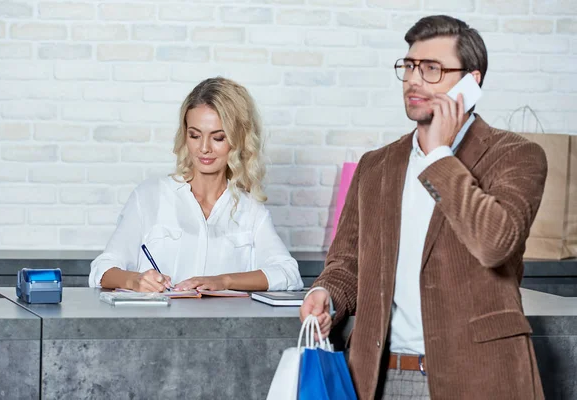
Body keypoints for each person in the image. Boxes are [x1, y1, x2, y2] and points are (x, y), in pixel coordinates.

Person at [300, 15, 547, 400]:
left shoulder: (516, 156)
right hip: (381, 379)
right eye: (410, 66)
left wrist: (438, 156)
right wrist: (327, 295)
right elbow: (346, 264)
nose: (414, 79)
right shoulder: (376, 166)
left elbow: (495, 243)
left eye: (432, 69)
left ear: (471, 81)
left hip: (479, 380)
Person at [89, 77, 303, 293]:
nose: (204, 148)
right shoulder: (149, 196)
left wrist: (224, 281)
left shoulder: (250, 210)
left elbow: (289, 274)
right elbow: (102, 269)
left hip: (225, 326)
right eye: (194, 135)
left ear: (238, 140)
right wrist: (134, 280)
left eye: (218, 138)